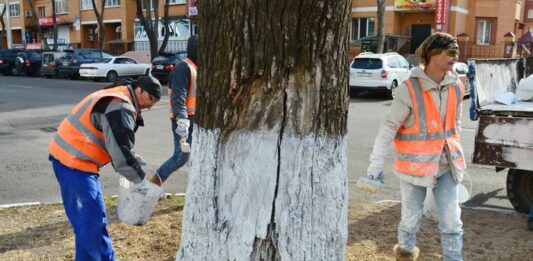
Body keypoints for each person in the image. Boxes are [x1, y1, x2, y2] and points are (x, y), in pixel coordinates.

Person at [366, 32, 466, 261]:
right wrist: (375, 165)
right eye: (450, 51)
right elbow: (388, 127)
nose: (456, 55)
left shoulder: (457, 86)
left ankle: (453, 258)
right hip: (414, 169)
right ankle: (405, 253)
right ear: (433, 54)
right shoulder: (408, 90)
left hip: (446, 164)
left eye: (457, 51)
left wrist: (453, 147)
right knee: (410, 218)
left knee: (452, 218)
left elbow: (456, 122)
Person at [48, 76, 162, 261]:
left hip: (74, 161)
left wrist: (132, 157)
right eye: (150, 99)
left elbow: (115, 140)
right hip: (73, 164)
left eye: (155, 103)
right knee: (89, 223)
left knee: (96, 219)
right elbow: (120, 153)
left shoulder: (119, 95)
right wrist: (140, 180)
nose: (150, 106)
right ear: (139, 90)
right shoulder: (121, 105)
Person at [153, 35, 198, 186]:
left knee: (196, 157)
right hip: (184, 120)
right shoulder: (183, 67)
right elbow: (178, 96)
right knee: (181, 157)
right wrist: (181, 119)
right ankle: (153, 184)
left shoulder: (196, 67)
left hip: (195, 119)